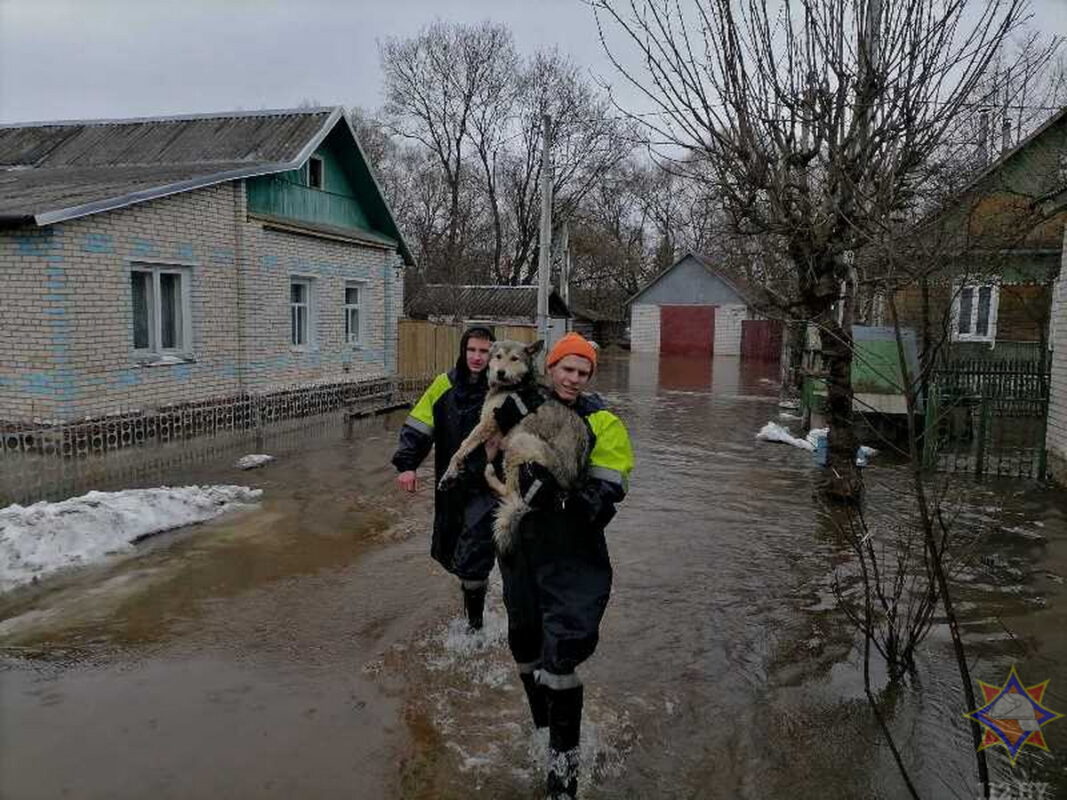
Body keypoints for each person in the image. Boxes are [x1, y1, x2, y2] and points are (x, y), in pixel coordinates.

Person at [493, 332, 634, 800]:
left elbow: (610, 489)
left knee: (562, 657)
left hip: (574, 556)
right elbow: (488, 448)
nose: (572, 378)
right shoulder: (520, 403)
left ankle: (563, 778)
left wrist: (564, 499)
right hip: (521, 548)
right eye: (566, 368)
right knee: (525, 647)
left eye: (582, 371)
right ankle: (541, 733)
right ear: (550, 368)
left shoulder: (604, 422)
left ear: (590, 375)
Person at [391, 326, 498, 632]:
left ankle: (474, 630)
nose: (477, 357)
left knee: (474, 553)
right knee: (450, 549)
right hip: (451, 484)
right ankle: (474, 593)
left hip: (489, 485)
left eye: (484, 351)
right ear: (463, 351)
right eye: (472, 350)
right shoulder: (444, 385)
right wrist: (408, 465)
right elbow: (419, 424)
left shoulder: (502, 389)